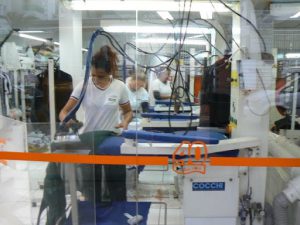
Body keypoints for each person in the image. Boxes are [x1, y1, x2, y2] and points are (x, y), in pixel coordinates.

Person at [59, 45, 133, 203]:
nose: (95, 79)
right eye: (93, 74)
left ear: (109, 73)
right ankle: (93, 213)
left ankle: (118, 212)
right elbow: (63, 112)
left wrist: (125, 122)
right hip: (89, 139)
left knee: (116, 182)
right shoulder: (84, 86)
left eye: (100, 76)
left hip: (112, 140)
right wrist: (68, 121)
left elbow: (128, 111)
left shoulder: (119, 87)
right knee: (91, 185)